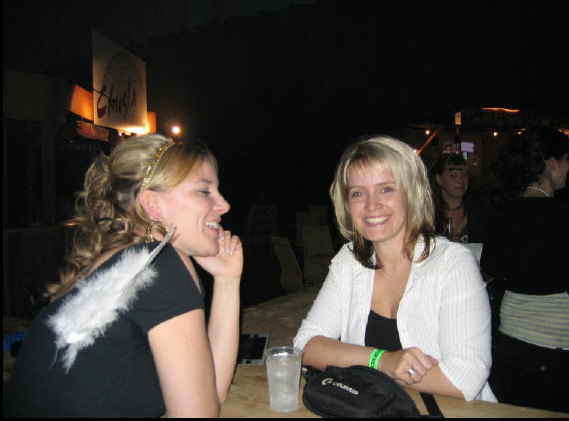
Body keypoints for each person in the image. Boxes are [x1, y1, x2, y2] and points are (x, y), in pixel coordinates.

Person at [4, 134, 243, 417]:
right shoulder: (159, 265)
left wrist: (227, 280)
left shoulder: (127, 264)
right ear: (152, 204)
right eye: (204, 191)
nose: (224, 205)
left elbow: (211, 392)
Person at [294, 134, 496, 402]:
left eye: (386, 189)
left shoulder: (453, 264)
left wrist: (364, 368)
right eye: (358, 193)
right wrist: (382, 361)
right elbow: (305, 345)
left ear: (411, 193)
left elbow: (465, 379)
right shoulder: (350, 260)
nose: (371, 205)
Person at [481, 126, 569, 415]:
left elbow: (490, 266)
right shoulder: (562, 215)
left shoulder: (503, 212)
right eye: (567, 160)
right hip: (558, 347)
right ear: (552, 163)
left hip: (512, 343)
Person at [429, 153, 492, 244]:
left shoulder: (480, 211)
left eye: (465, 175)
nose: (461, 180)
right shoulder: (427, 213)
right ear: (439, 179)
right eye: (453, 175)